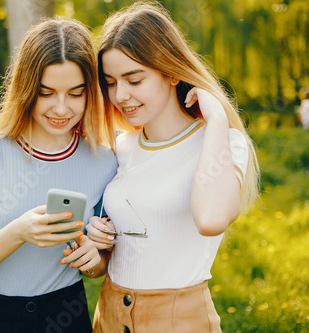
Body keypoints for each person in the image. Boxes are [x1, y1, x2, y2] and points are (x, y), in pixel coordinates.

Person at [85, 2, 260, 332]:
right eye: (110, 82)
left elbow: (210, 220)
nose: (120, 95)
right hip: (107, 318)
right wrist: (98, 243)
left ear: (171, 72)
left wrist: (218, 118)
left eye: (134, 80)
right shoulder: (120, 148)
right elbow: (110, 260)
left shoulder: (222, 141)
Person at [0, 17, 117, 333]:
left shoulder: (105, 162)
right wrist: (19, 232)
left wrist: (94, 260)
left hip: (66, 314)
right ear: (25, 88)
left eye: (76, 93)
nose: (62, 108)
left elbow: (101, 263)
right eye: (46, 92)